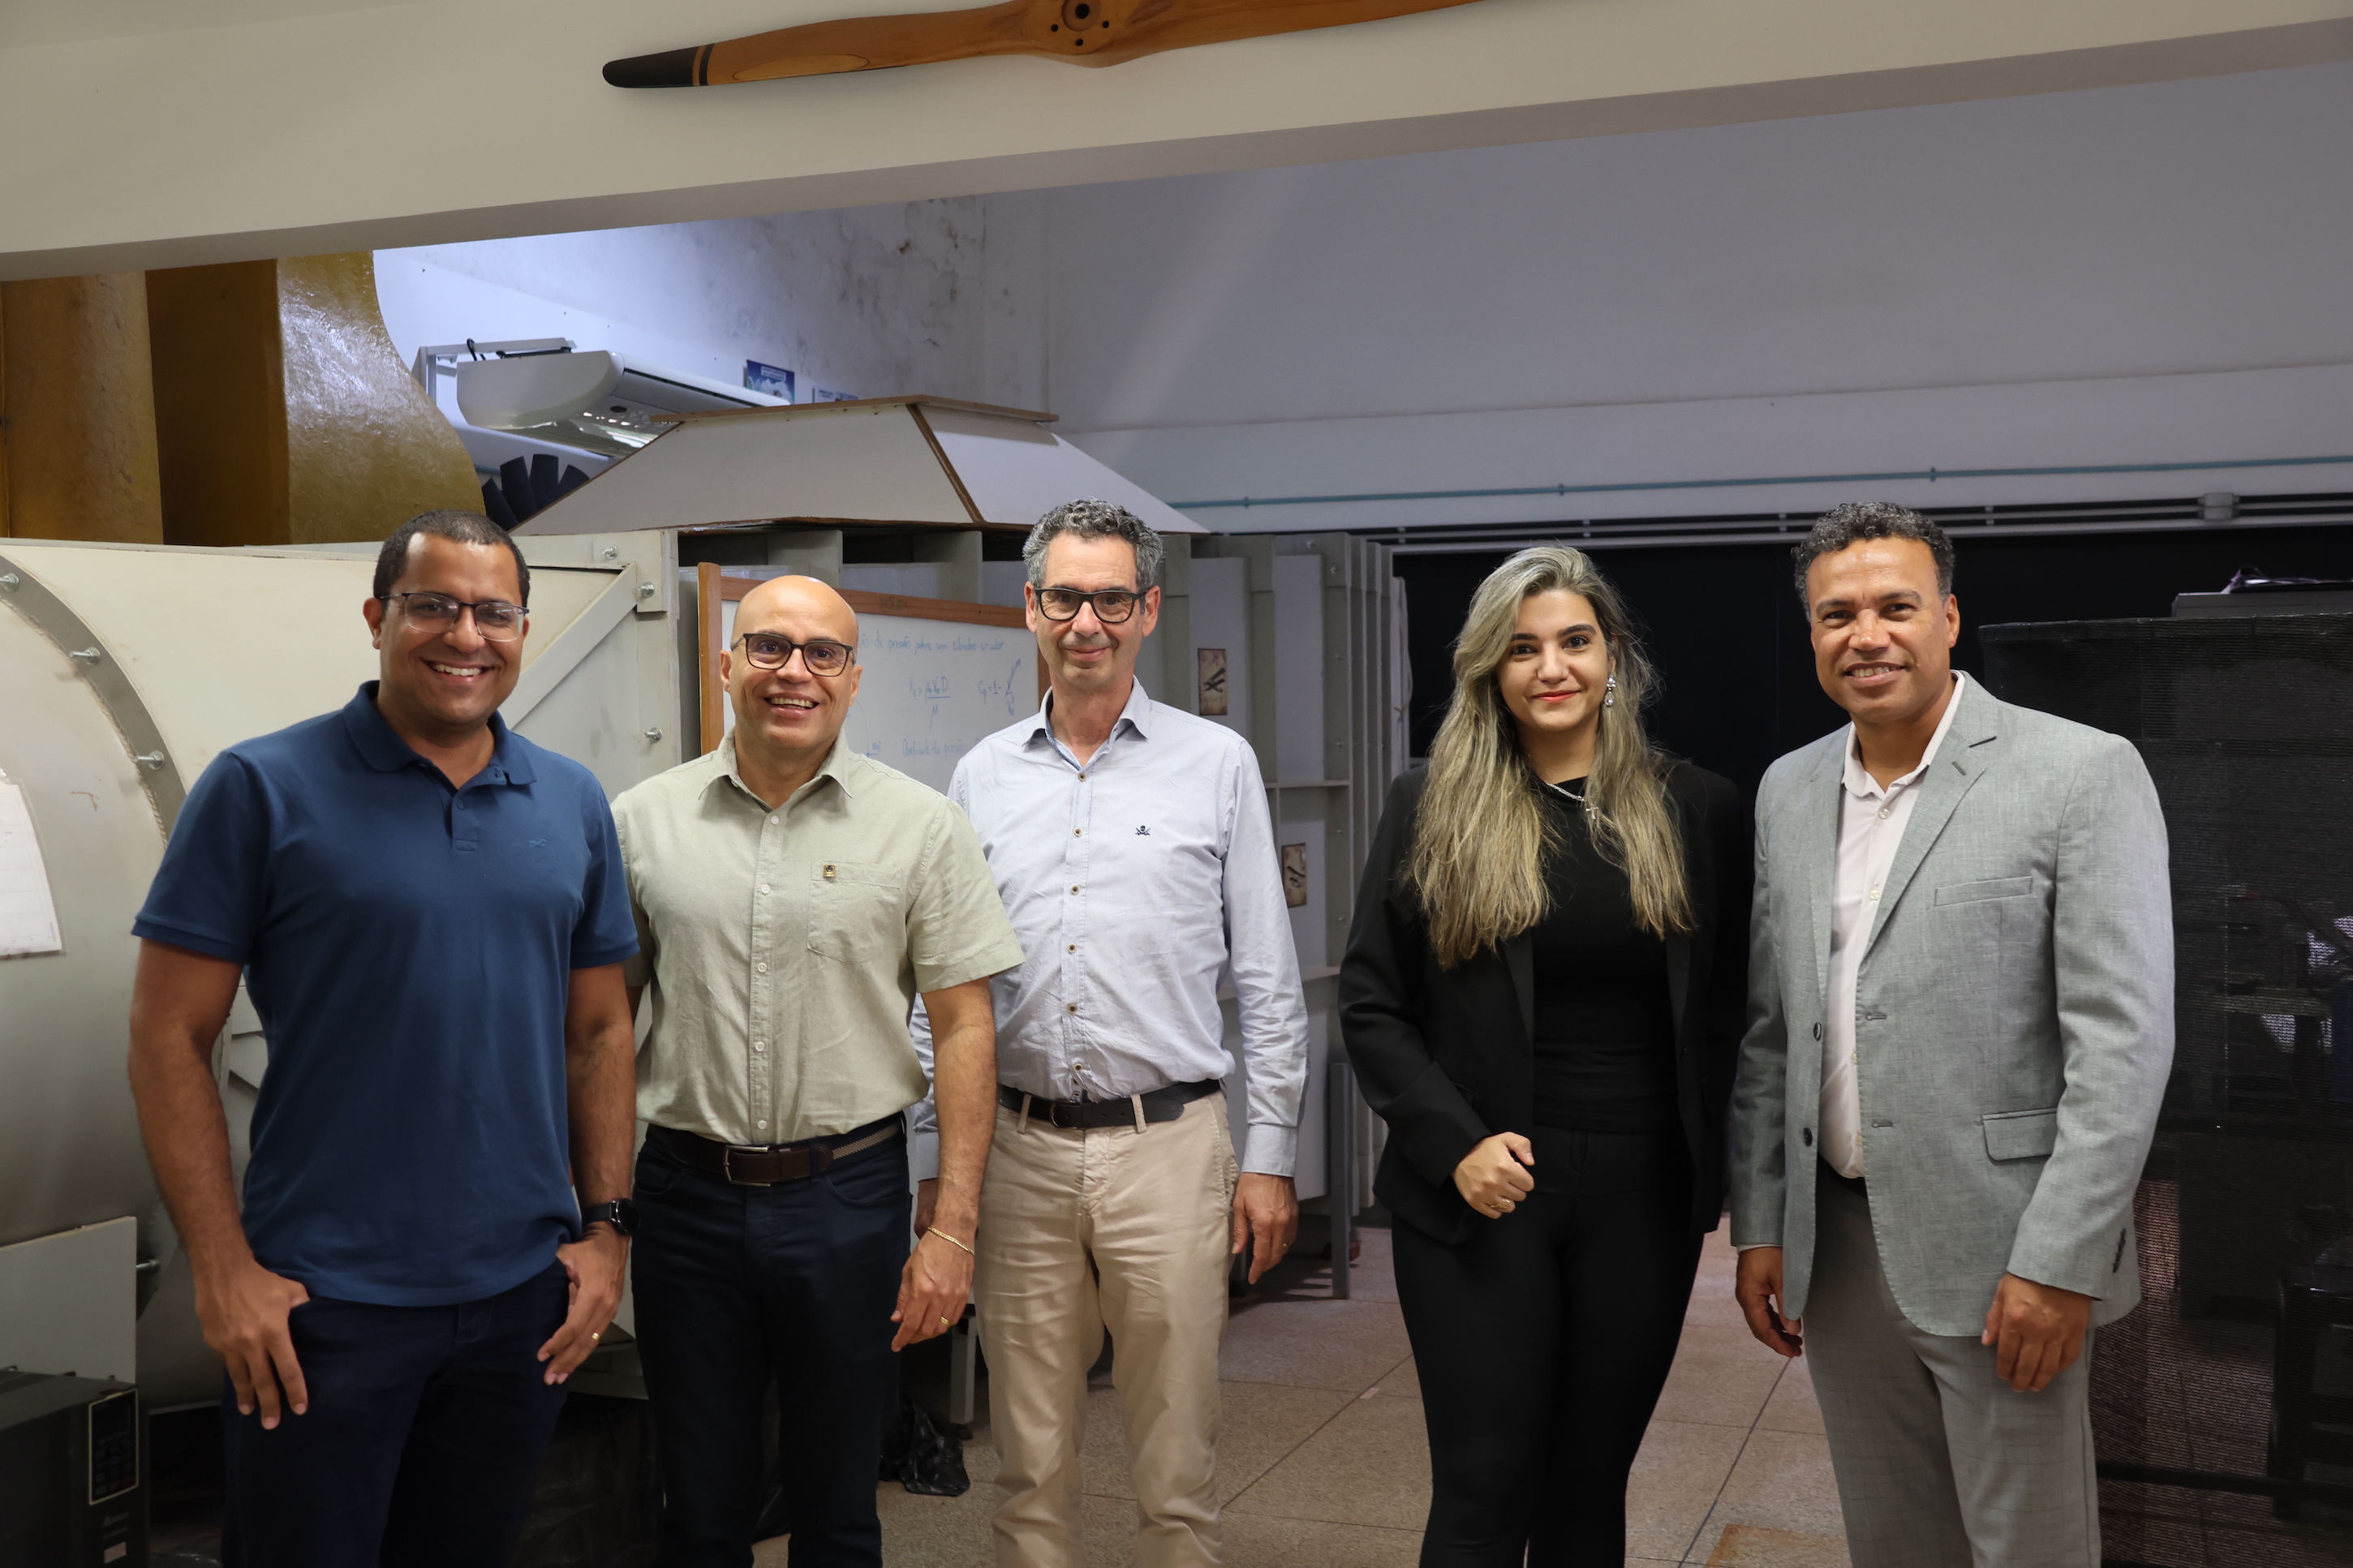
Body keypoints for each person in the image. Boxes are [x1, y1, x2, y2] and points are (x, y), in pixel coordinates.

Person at [126, 509, 641, 1568]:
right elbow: (167, 1035)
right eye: (434, 606)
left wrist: (608, 1234)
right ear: (377, 617)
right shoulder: (262, 787)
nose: (466, 635)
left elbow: (597, 1030)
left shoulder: (572, 800)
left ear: (523, 628)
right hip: (324, 1305)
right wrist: (222, 1271)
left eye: (494, 612)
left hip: (520, 1301)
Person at [1729, 502, 2174, 1567]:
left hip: (2004, 1254)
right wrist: (1760, 1220)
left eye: (1896, 607)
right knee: (1893, 1541)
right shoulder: (1789, 789)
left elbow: (2122, 1043)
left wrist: (2060, 1263)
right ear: (1811, 633)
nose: (1866, 636)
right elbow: (1772, 1031)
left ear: (1949, 617)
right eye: (1836, 615)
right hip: (1837, 1252)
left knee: (2028, 1548)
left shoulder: (2078, 771)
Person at [913, 498, 1308, 1568]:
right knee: (1028, 1465)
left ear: (1149, 609)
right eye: (1064, 598)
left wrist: (1270, 1157)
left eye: (1111, 599)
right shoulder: (981, 775)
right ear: (1029, 607)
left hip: (1168, 1147)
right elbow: (942, 988)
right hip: (1016, 1150)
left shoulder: (1216, 762)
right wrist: (936, 1161)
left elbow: (1268, 977)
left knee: (1176, 1467)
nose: (1086, 621)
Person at [1339, 546, 1750, 1566]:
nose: (1551, 667)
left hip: (1640, 1201)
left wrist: (1729, 1187)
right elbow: (1371, 1002)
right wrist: (1454, 1143)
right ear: (1489, 667)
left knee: (1587, 1489)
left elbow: (1730, 1015)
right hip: (1480, 1197)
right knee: (1484, 1485)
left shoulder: (1696, 807)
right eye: (1521, 648)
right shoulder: (1429, 805)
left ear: (1615, 658)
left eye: (1574, 641)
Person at [613, 574, 1022, 1568]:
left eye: (822, 652)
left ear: (852, 677)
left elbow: (964, 1028)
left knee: (839, 1507)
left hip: (846, 1197)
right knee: (697, 1506)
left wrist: (951, 1230)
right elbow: (597, 1028)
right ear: (726, 664)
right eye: (768, 646)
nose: (793, 671)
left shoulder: (920, 825)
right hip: (684, 1200)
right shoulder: (640, 821)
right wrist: (593, 1209)